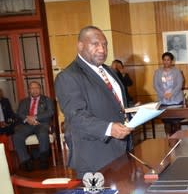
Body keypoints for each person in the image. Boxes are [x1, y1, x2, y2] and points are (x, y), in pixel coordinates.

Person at [55, 25, 132, 178]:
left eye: (104, 44)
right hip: (95, 157)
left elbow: (115, 105)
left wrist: (133, 112)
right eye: (95, 44)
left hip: (121, 150)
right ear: (80, 45)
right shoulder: (68, 77)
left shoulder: (108, 70)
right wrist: (110, 129)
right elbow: (76, 117)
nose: (102, 49)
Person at [13, 81, 54, 171]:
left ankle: (43, 160)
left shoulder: (47, 100)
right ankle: (26, 160)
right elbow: (19, 113)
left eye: (37, 88)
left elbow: (50, 112)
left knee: (43, 134)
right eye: (32, 88)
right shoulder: (24, 101)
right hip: (27, 124)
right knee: (17, 136)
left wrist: (35, 117)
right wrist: (28, 119)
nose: (35, 90)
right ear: (29, 90)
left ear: (40, 89)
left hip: (41, 123)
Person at [153, 52, 184, 136]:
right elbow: (155, 85)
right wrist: (164, 95)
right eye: (164, 60)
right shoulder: (157, 72)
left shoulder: (177, 71)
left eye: (168, 60)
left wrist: (171, 94)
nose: (166, 62)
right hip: (163, 101)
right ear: (162, 61)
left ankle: (178, 140)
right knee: (166, 122)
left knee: (176, 122)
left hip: (176, 101)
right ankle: (168, 140)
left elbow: (179, 84)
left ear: (171, 61)